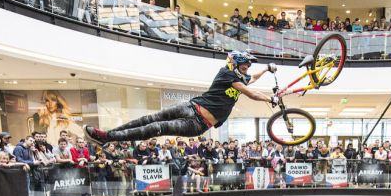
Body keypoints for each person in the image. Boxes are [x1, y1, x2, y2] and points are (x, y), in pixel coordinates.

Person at [85, 51, 277, 143]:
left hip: (198, 124)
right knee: (148, 119)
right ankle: (108, 135)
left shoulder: (239, 78)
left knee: (155, 127)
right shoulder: (227, 74)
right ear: (235, 65)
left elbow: (252, 79)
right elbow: (252, 93)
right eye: (243, 68)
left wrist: (267, 69)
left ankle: (108, 137)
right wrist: (270, 99)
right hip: (191, 107)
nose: (246, 72)